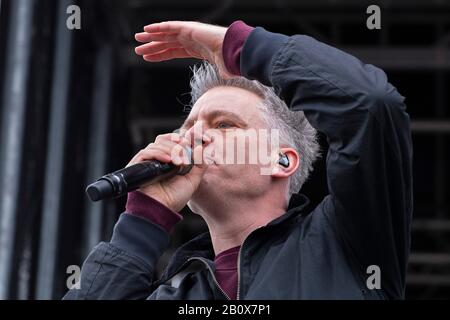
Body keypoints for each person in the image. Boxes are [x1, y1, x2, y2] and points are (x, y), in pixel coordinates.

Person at [63, 20, 413, 300]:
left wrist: (241, 49)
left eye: (224, 124)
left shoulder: (341, 245)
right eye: (188, 126)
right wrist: (142, 221)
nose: (193, 136)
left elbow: (370, 105)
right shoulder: (179, 294)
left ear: (281, 161)